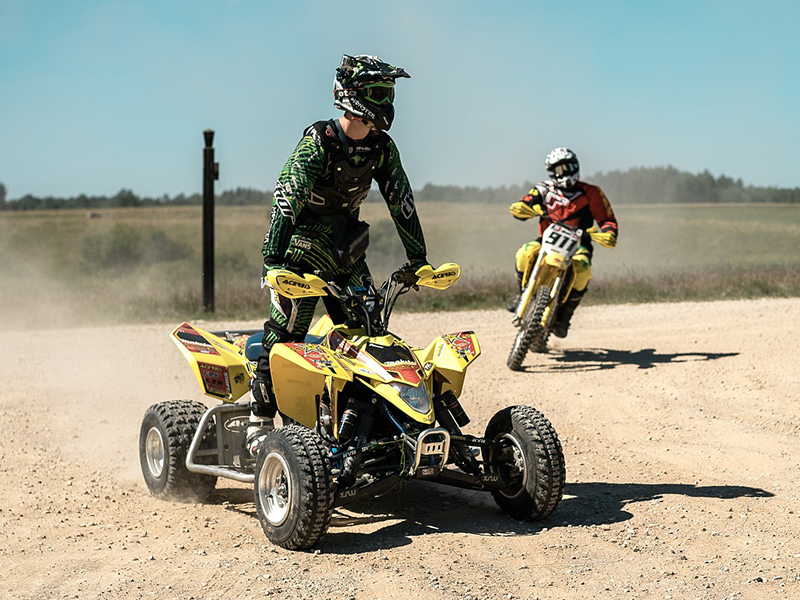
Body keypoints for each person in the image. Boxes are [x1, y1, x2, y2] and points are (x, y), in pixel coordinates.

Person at [247, 54, 429, 455]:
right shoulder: (320, 141)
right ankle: (259, 419)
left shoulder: (381, 147)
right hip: (299, 254)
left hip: (346, 253)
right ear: (354, 95)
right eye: (381, 92)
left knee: (369, 336)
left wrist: (419, 259)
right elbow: (287, 197)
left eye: (390, 93)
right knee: (286, 335)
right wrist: (273, 261)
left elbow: (402, 201)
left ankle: (361, 425)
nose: (388, 101)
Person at [508, 147, 618, 338]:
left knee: (583, 270)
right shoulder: (543, 189)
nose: (566, 172)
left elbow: (607, 219)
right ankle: (520, 293)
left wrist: (608, 233)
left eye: (569, 166)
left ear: (577, 166)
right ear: (551, 172)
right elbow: (524, 203)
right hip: (546, 242)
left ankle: (565, 316)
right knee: (523, 254)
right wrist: (523, 208)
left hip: (579, 246)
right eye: (560, 169)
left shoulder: (591, 192)